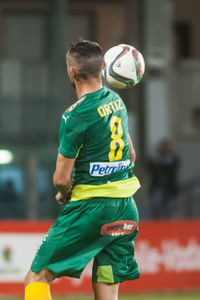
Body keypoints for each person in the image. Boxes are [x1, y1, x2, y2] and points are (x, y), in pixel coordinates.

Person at [24, 39, 141, 300]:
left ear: (71, 71)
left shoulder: (74, 115)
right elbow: (131, 154)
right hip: (126, 207)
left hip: (92, 208)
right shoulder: (117, 101)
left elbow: (60, 178)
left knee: (37, 277)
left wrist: (64, 192)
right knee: (108, 289)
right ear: (102, 69)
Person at [147, 139, 180, 219]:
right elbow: (151, 168)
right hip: (157, 186)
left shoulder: (173, 158)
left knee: (170, 209)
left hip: (170, 188)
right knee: (157, 207)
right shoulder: (156, 158)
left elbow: (172, 169)